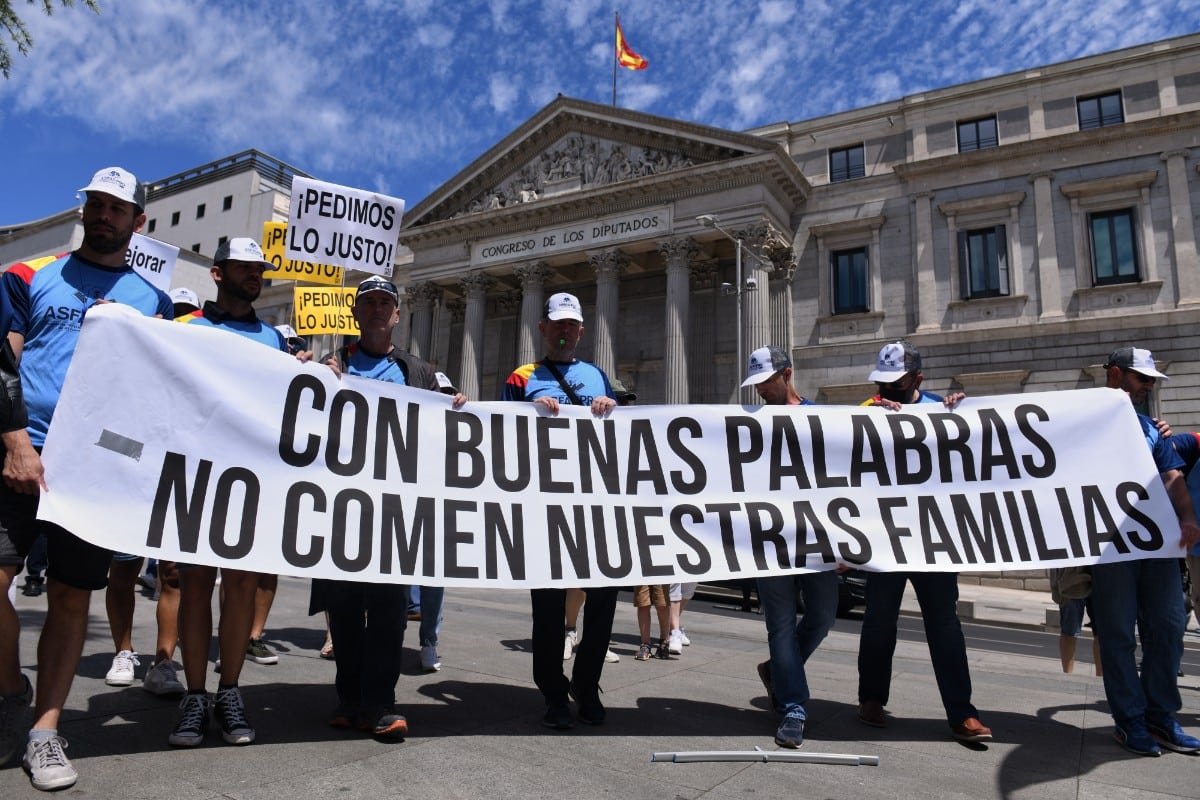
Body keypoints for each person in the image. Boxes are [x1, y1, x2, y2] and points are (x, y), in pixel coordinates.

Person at [0, 167, 173, 790]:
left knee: (73, 598)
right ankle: (10, 688)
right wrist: (16, 441)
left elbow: (159, 394)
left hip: (92, 469)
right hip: (22, 452)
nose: (104, 215)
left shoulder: (153, 301)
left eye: (116, 208)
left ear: (137, 223)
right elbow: (3, 362)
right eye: (95, 204)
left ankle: (44, 731)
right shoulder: (27, 275)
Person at [319, 275, 466, 738]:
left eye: (386, 303)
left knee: (388, 611)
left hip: (394, 513)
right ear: (356, 313)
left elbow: (448, 417)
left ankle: (381, 704)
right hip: (339, 507)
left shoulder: (418, 371)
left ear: (398, 315)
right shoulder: (333, 364)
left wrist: (460, 406)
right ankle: (348, 697)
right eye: (370, 303)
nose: (378, 309)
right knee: (342, 609)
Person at [169, 237, 297, 749]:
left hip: (254, 478)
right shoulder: (185, 329)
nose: (254, 276)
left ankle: (230, 690)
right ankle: (195, 694)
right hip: (198, 471)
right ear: (217, 274)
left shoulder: (274, 340)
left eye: (258, 269)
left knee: (242, 585)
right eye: (243, 268)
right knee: (196, 585)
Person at [854, 341, 992, 743]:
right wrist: (874, 421)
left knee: (945, 625)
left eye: (895, 384)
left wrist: (960, 416)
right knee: (879, 621)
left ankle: (962, 713)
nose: (887, 391)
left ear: (918, 379)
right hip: (886, 537)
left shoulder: (943, 410)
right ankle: (872, 699)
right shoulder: (867, 411)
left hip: (934, 537)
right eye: (883, 383)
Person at [502, 291, 619, 730]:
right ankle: (553, 692)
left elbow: (618, 436)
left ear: (581, 331)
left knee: (604, 599)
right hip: (544, 507)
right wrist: (530, 414)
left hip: (593, 507)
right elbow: (498, 432)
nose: (565, 331)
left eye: (572, 324)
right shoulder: (522, 377)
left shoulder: (597, 375)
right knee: (548, 610)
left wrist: (613, 407)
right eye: (558, 324)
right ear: (543, 329)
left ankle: (586, 686)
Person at [1091, 346, 1200, 755]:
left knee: (1169, 628)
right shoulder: (1078, 419)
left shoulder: (1151, 429)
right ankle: (1130, 721)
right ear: (1116, 375)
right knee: (1118, 634)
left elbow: (1172, 477)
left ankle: (1160, 716)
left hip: (1157, 547)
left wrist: (1187, 518)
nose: (1148, 387)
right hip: (1108, 549)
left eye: (1152, 380)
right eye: (1143, 378)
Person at [740, 345, 839, 749]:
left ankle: (776, 672)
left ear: (787, 374)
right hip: (769, 540)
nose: (760, 390)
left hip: (815, 538)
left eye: (766, 381)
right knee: (779, 624)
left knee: (823, 616)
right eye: (756, 384)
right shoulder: (752, 423)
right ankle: (793, 707)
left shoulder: (820, 417)